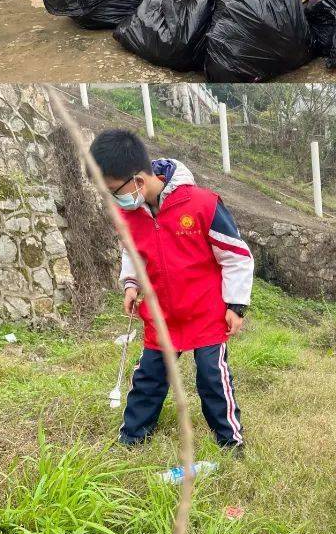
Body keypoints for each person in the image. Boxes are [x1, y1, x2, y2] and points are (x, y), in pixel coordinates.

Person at [89, 128, 253, 451]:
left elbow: (237, 255)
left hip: (205, 312)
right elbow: (131, 251)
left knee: (211, 378)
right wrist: (131, 284)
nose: (113, 200)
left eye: (113, 191)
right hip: (161, 314)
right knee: (149, 378)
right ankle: (132, 438)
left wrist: (236, 305)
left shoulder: (202, 205)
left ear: (137, 181)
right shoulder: (129, 214)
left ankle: (230, 442)